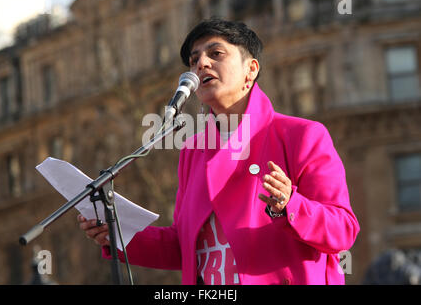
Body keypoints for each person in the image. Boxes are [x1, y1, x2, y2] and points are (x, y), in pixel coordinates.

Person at [78, 19, 360, 285]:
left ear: (251, 69)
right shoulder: (192, 151)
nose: (201, 63)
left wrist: (291, 206)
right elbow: (183, 246)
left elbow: (344, 229)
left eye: (216, 53)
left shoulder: (302, 135)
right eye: (194, 60)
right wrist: (117, 233)